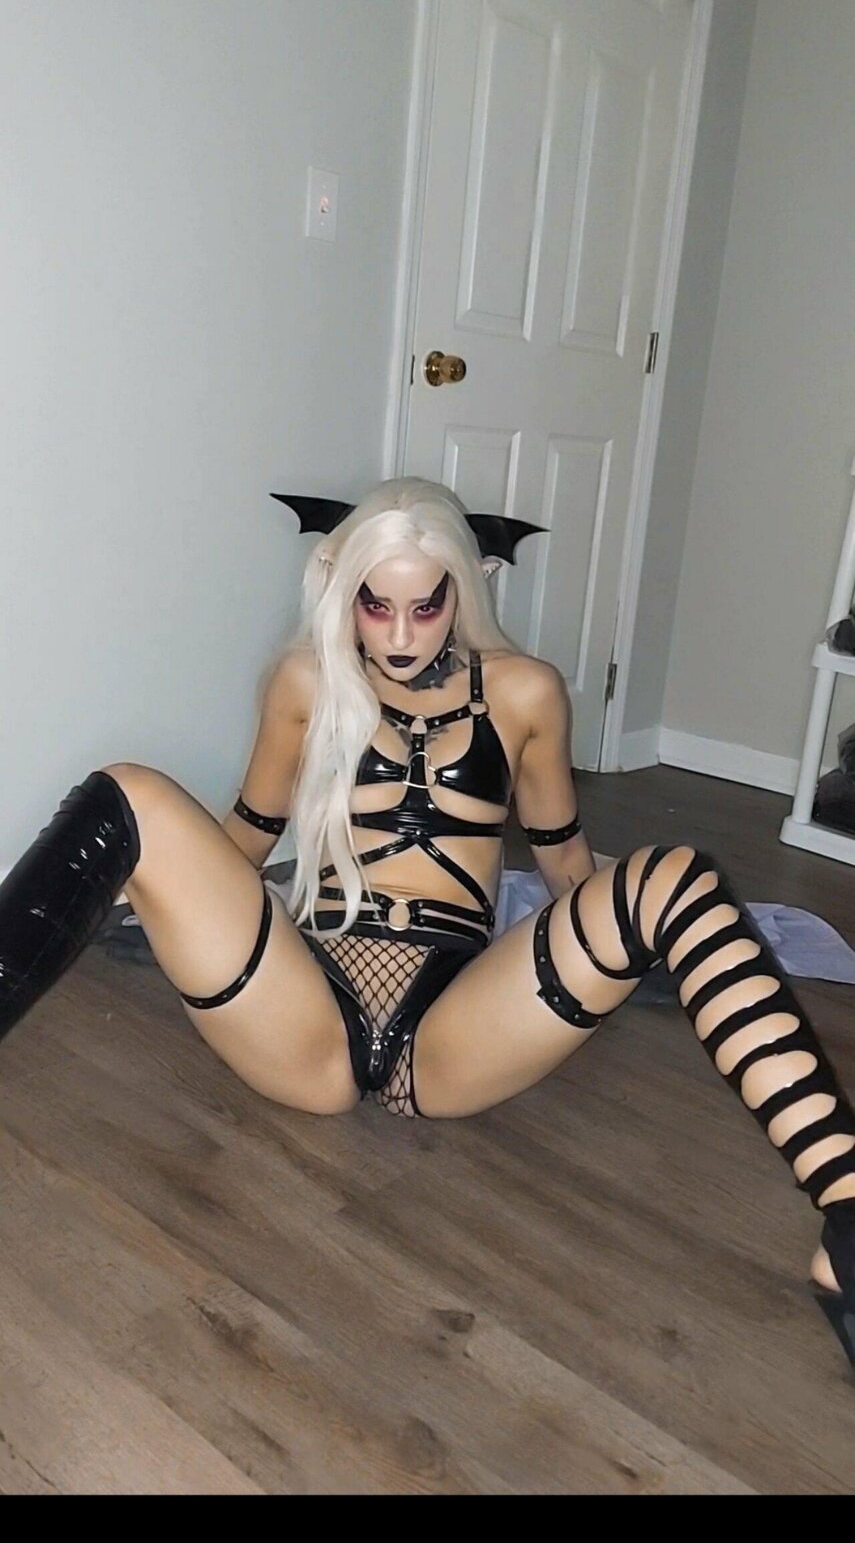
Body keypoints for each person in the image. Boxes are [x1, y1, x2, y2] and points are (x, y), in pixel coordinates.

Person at [1, 476, 853, 1376]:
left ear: (463, 590)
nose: (401, 635)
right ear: (343, 592)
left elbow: (564, 862)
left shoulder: (526, 692)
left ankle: (845, 1222)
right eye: (376, 607)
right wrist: (160, 888)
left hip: (449, 1030)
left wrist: (650, 929)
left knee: (678, 875)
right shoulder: (303, 682)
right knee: (129, 789)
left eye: (425, 606)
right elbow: (249, 836)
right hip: (304, 1018)